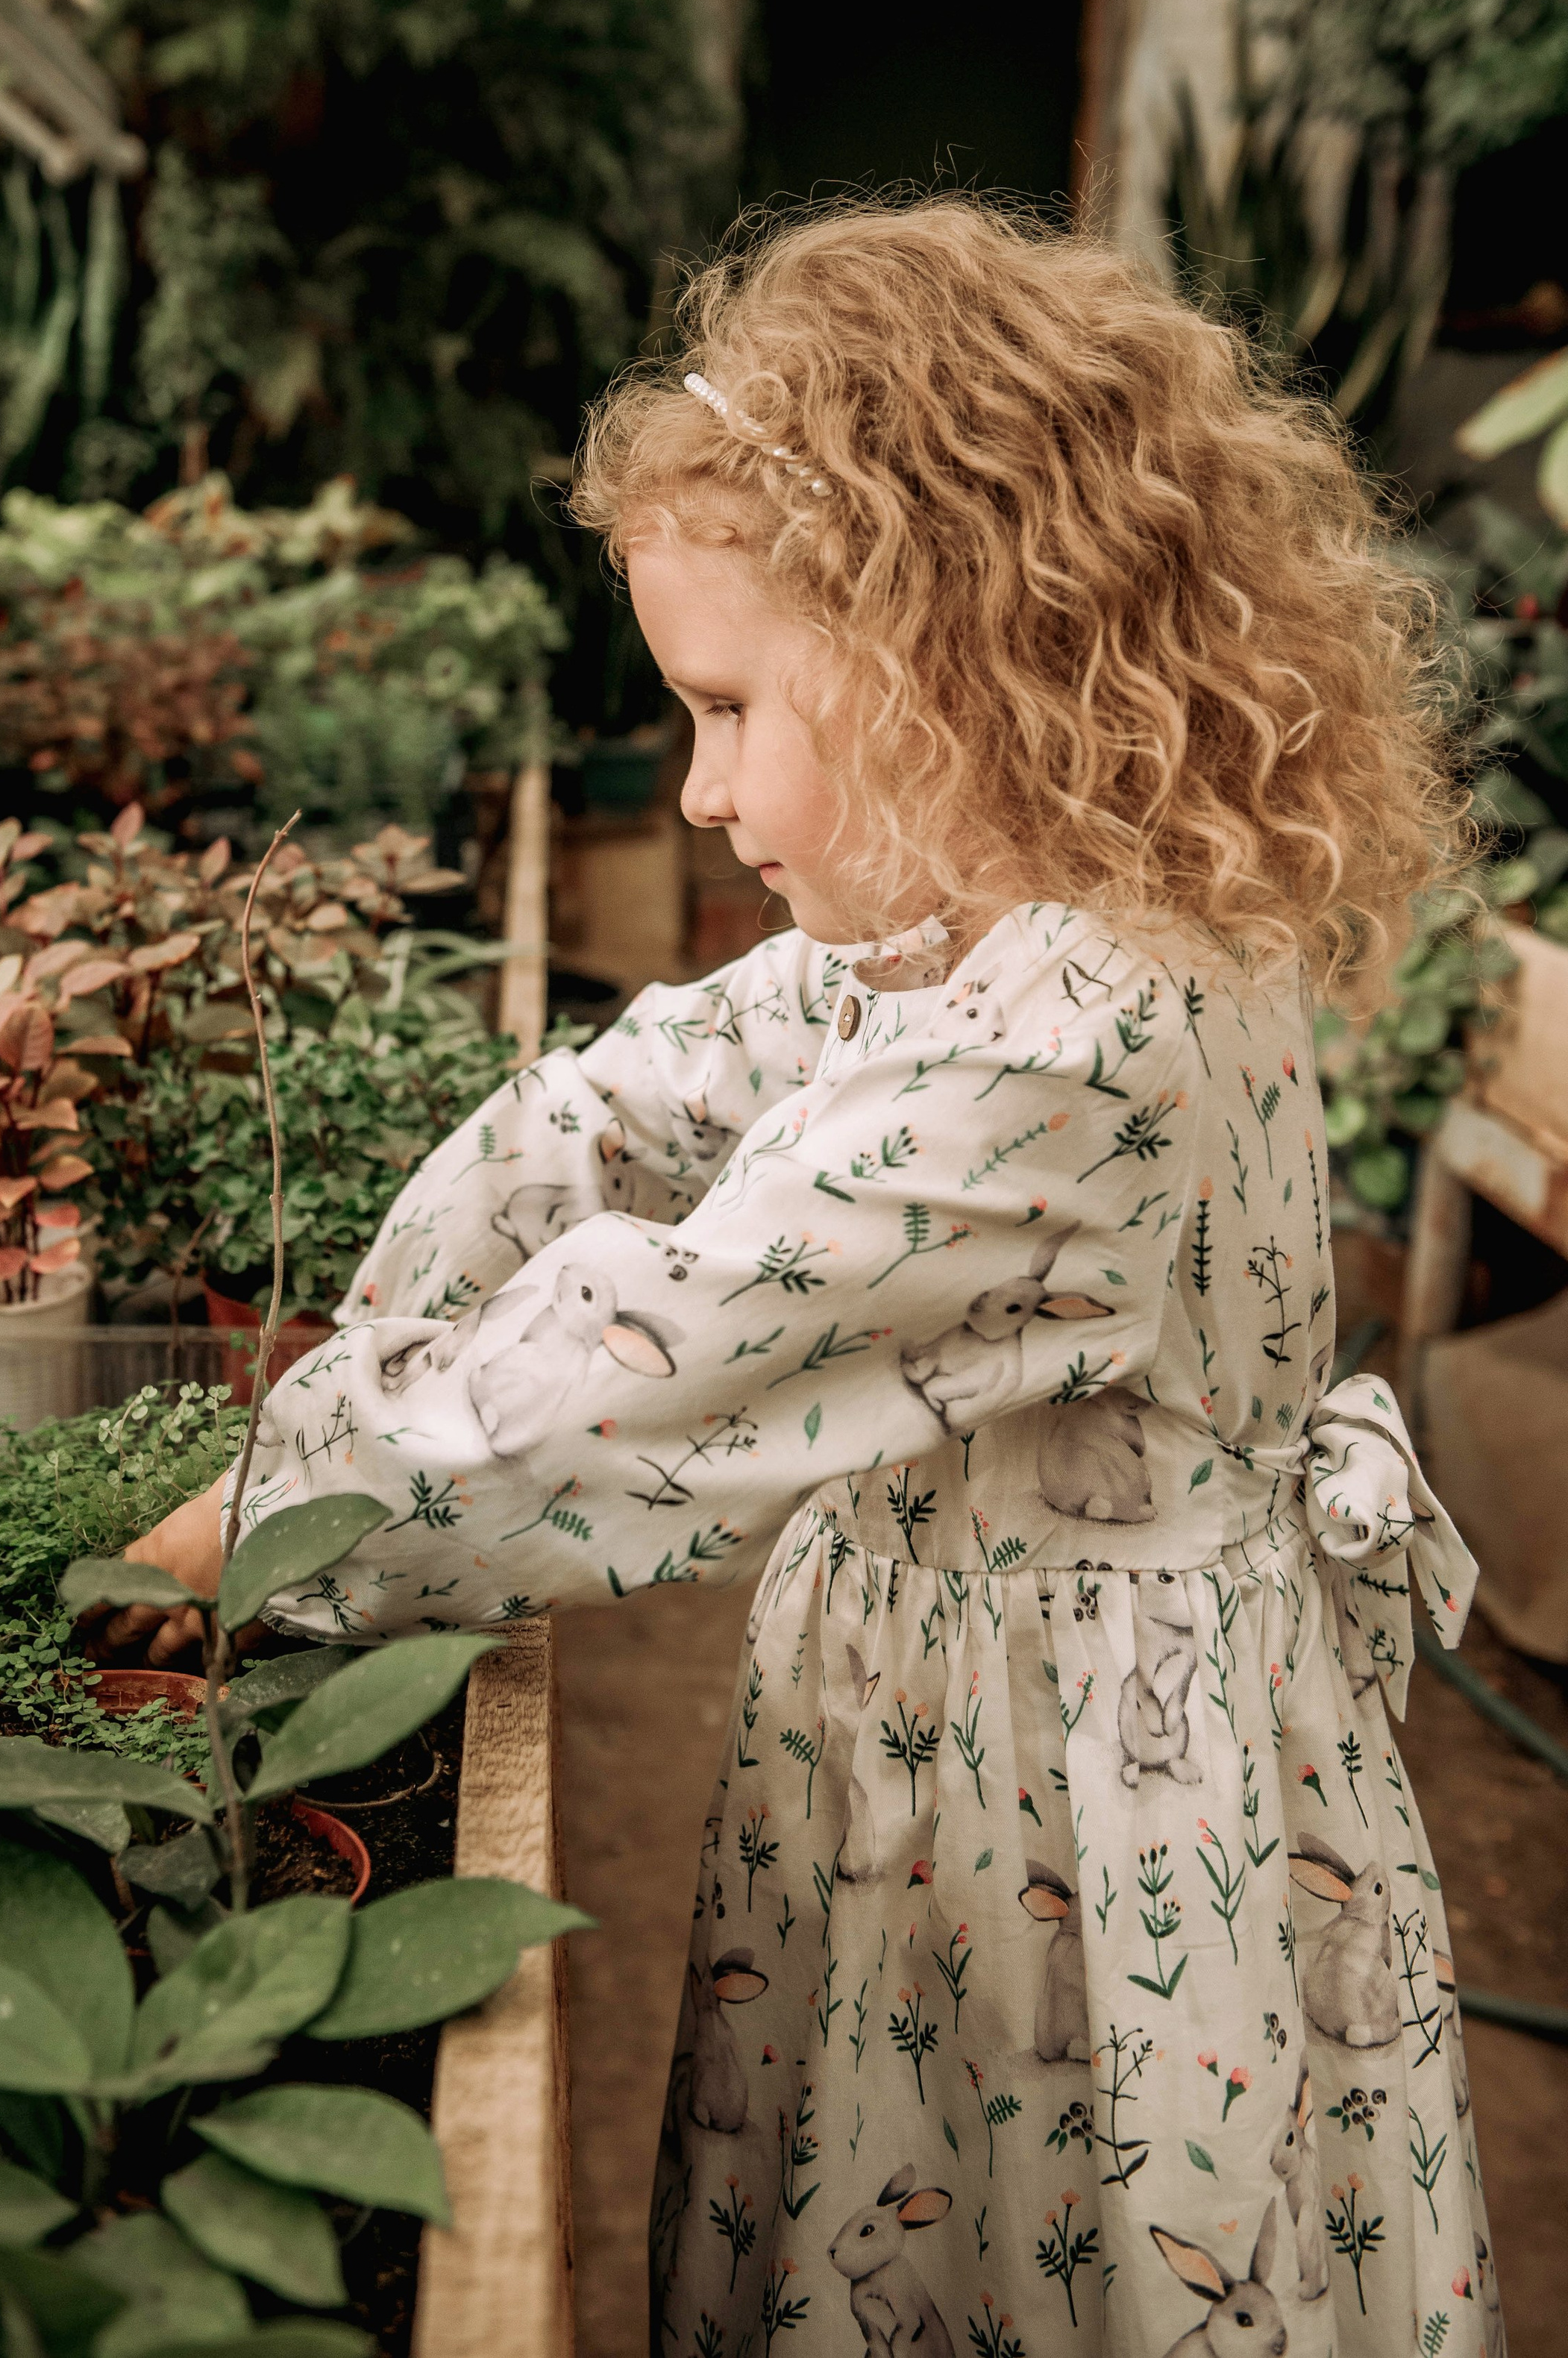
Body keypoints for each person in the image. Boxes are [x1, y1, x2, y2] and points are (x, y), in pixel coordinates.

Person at [101, 198, 1499, 2357]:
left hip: (1082, 1840)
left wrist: (270, 1501)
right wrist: (399, 1298)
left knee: (1056, 2248)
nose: (706, 789)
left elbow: (656, 1365)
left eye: (734, 702)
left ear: (958, 651)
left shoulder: (1071, 1036)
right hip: (992, 1765)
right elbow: (640, 1092)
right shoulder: (1004, 936)